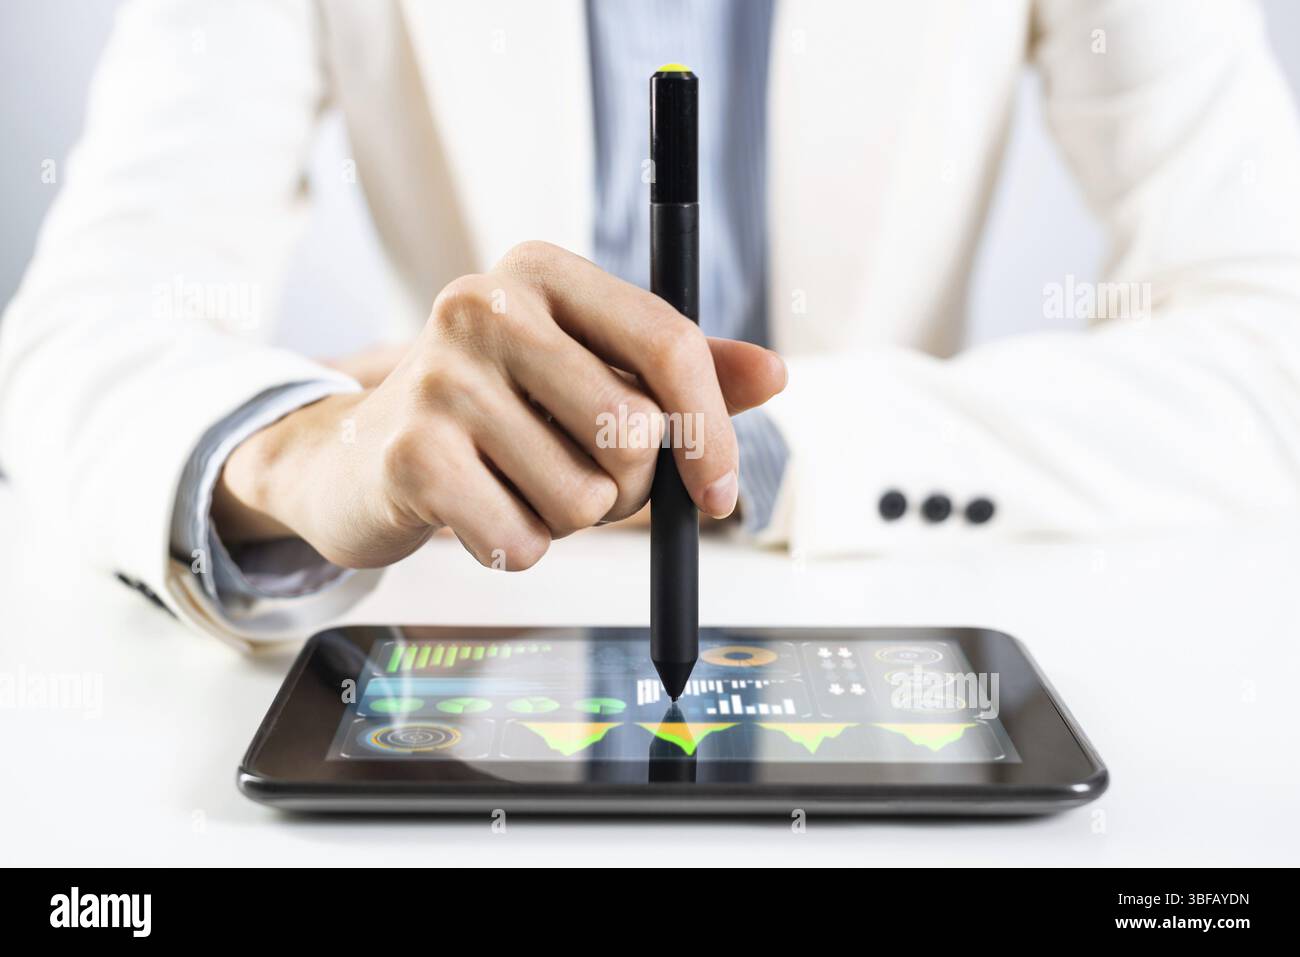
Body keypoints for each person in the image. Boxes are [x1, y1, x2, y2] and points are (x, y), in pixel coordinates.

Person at [2, 0, 1299, 648]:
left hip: (885, 606)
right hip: (472, 626)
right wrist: (304, 449)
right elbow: (85, 322)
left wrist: (767, 444)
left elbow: (1270, 325)